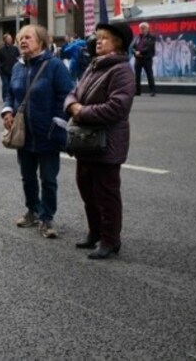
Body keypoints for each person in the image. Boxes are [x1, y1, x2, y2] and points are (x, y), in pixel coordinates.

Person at [64, 21, 136, 259]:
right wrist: (72, 105)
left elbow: (117, 107)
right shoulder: (94, 66)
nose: (98, 41)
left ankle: (110, 240)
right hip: (86, 141)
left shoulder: (121, 70)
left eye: (104, 38)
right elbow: (74, 92)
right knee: (87, 191)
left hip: (107, 143)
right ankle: (94, 233)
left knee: (106, 194)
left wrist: (80, 111)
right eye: (97, 37)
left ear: (118, 43)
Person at [1, 24, 73, 238]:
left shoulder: (55, 66)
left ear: (41, 41)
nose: (22, 41)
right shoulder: (18, 67)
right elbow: (10, 94)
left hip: (48, 133)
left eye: (28, 38)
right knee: (27, 177)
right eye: (20, 38)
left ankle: (47, 218)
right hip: (24, 133)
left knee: (49, 178)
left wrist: (57, 121)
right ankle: (32, 210)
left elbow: (66, 95)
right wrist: (7, 111)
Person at [132, 22, 157, 96]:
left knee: (149, 74)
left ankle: (152, 91)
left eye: (143, 28)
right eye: (141, 28)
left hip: (146, 58)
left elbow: (149, 47)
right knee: (137, 76)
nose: (142, 30)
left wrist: (140, 52)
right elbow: (133, 47)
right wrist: (135, 52)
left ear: (147, 29)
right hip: (138, 59)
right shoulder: (137, 37)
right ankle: (137, 91)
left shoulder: (151, 37)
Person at [0, 33, 20, 102]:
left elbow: (18, 58)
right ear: (5, 40)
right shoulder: (0, 50)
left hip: (13, 70)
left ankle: (11, 97)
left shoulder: (15, 49)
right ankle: (5, 97)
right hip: (4, 71)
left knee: (12, 84)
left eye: (10, 38)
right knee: (5, 84)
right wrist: (0, 67)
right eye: (8, 39)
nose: (10, 40)